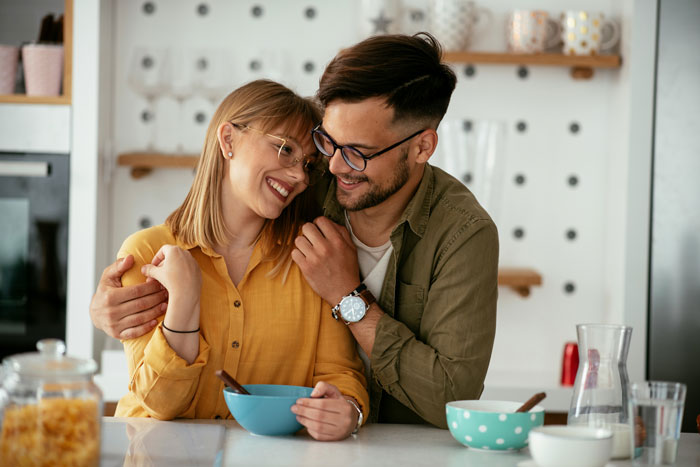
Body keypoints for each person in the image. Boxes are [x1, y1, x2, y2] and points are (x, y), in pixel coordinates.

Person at [91, 33, 498, 429]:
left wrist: (346, 298)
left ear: (422, 147)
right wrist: (106, 307)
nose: (332, 168)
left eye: (358, 153)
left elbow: (451, 395)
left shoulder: (463, 233)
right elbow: (221, 206)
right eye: (328, 144)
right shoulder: (306, 185)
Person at [108, 79, 368, 441]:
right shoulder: (145, 252)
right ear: (228, 140)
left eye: (308, 164)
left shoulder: (313, 259)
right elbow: (160, 403)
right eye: (284, 149)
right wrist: (184, 301)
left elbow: (340, 373)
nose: (299, 176)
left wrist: (348, 410)